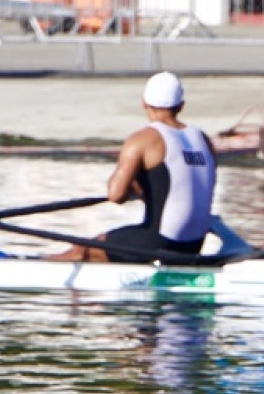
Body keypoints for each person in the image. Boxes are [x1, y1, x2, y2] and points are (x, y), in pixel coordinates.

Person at [49, 72, 218, 262]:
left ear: (144, 103)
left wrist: (134, 186)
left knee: (83, 250)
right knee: (106, 248)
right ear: (181, 106)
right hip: (194, 243)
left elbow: (116, 195)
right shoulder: (203, 139)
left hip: (160, 241)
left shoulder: (143, 139)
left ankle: (34, 264)